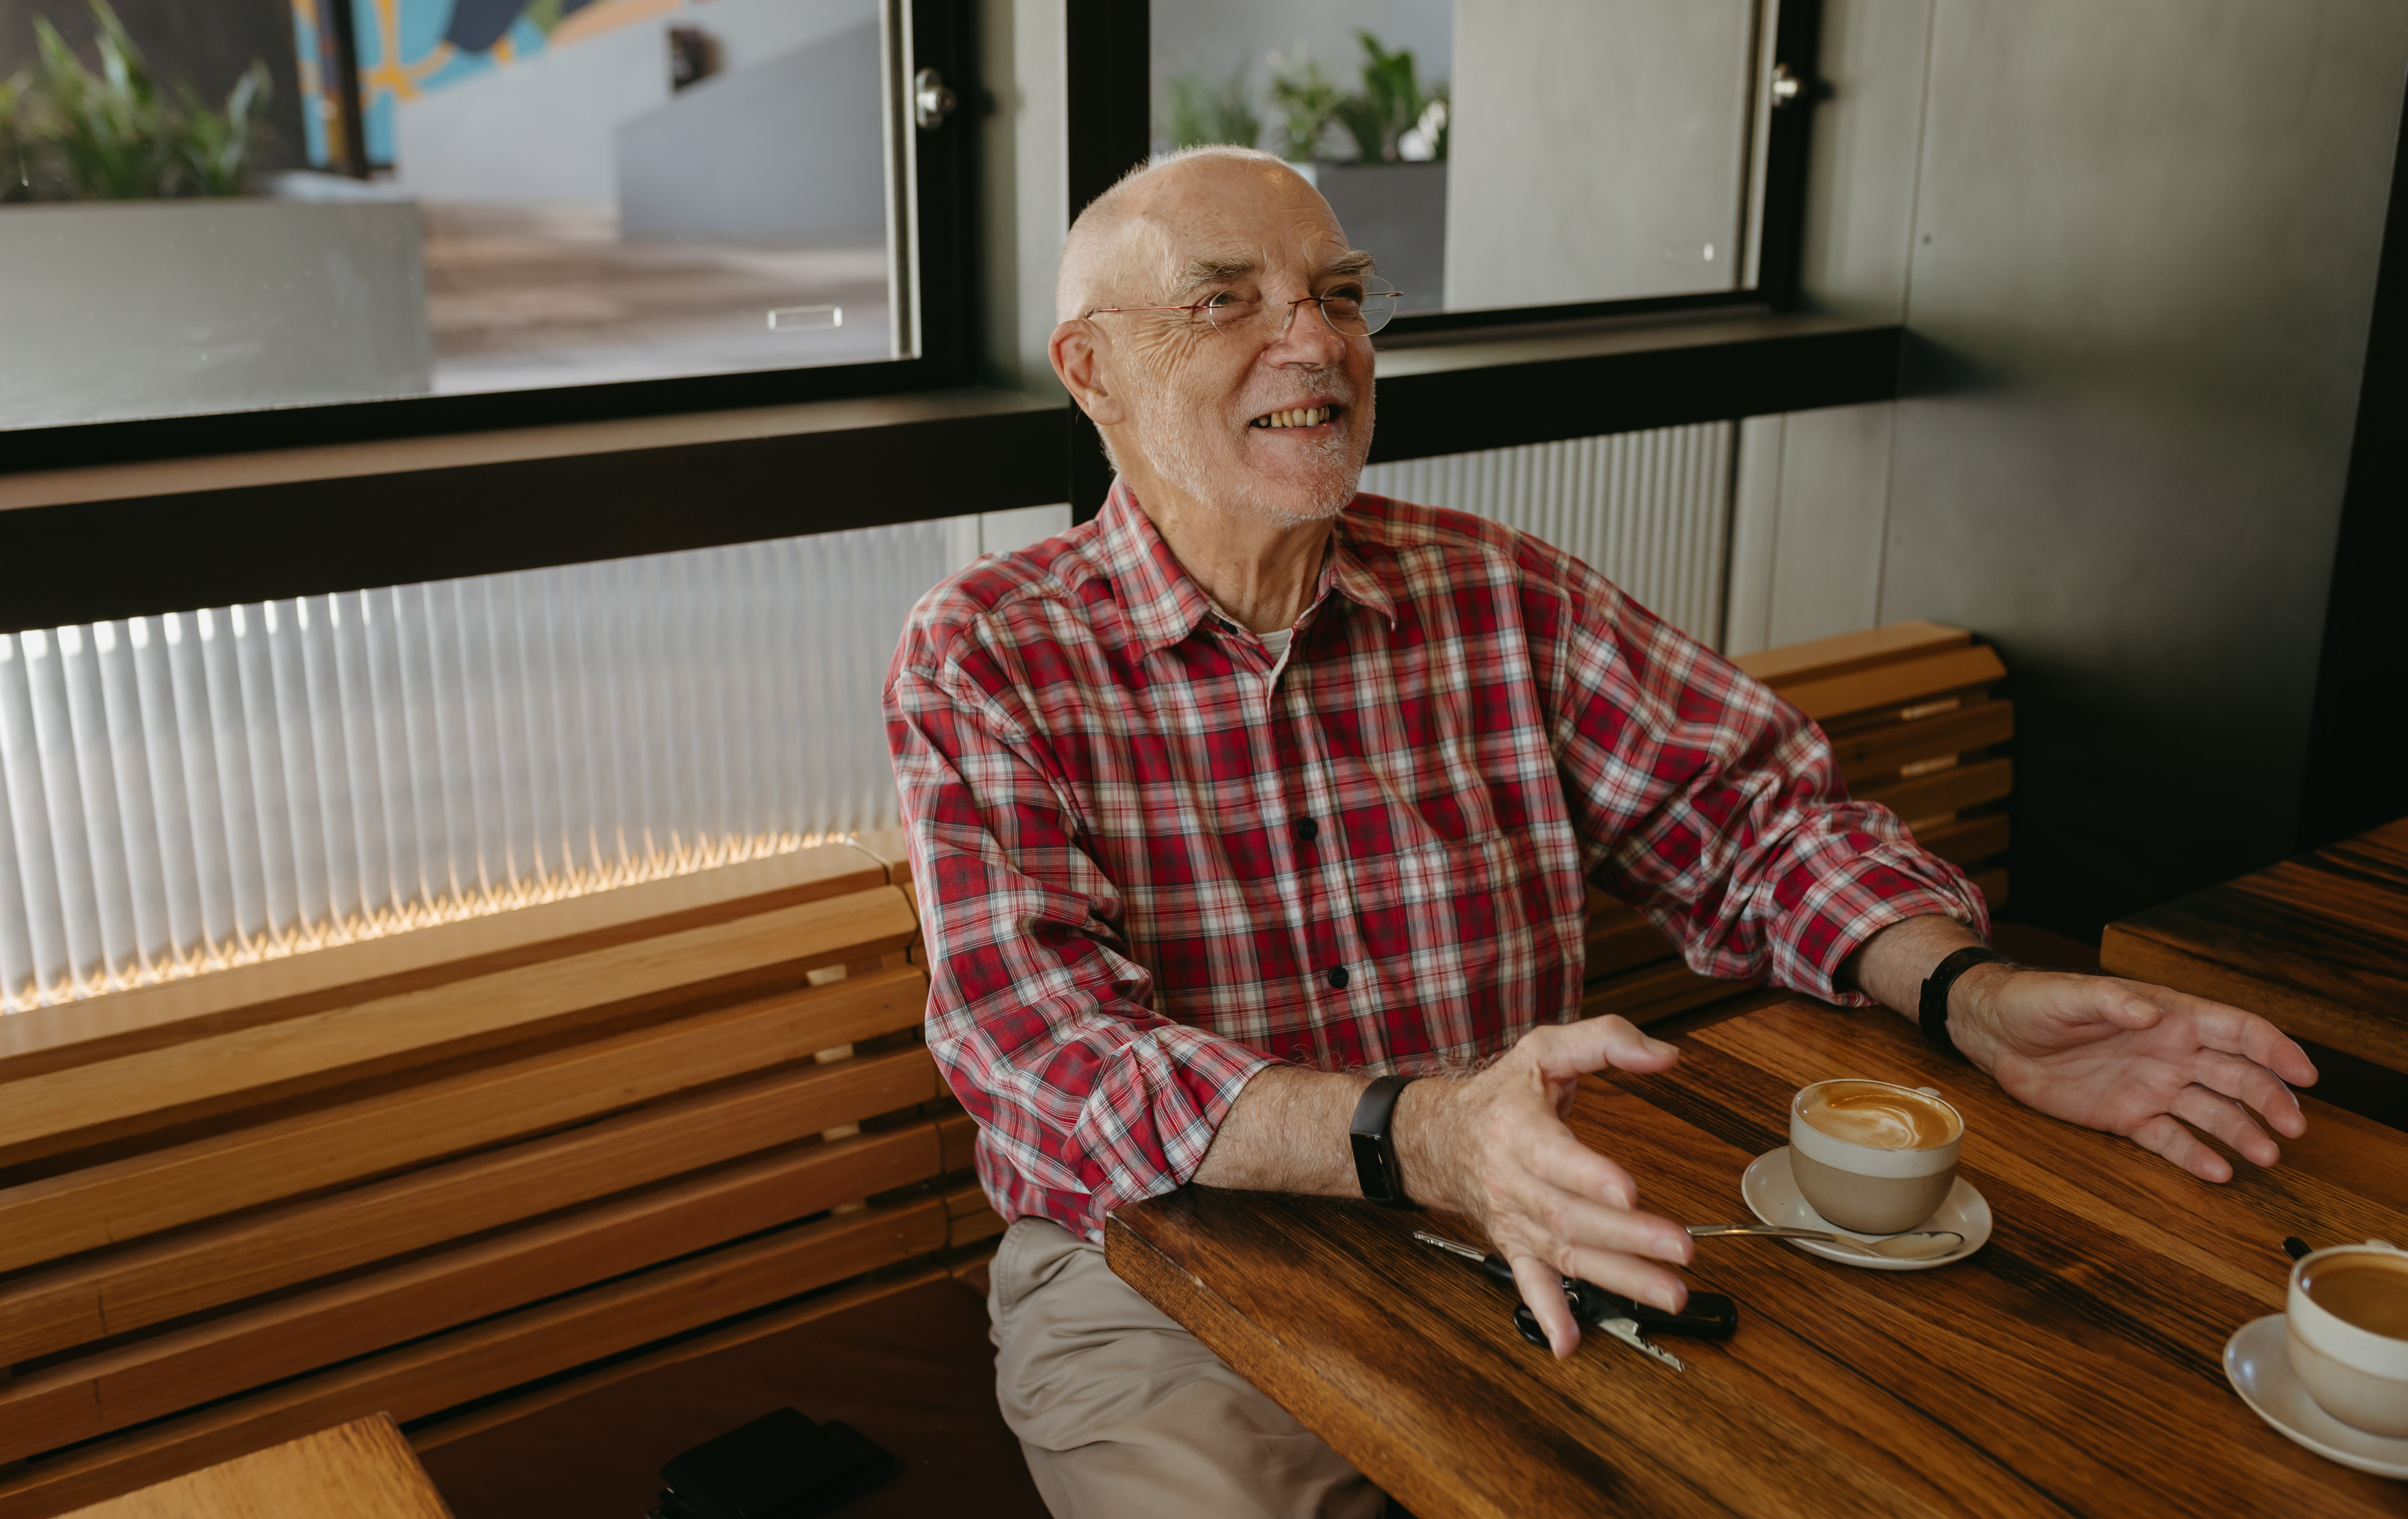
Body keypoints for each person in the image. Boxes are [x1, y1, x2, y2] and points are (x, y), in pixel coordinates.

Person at [881, 147, 2318, 1519]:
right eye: (1223, 300)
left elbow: (1752, 821)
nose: (1311, 341)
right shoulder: (988, 651)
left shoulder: (1498, 591)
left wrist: (1967, 994)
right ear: (1093, 371)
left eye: (1334, 290)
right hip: (1158, 1269)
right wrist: (1420, 1133)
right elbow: (1043, 1053)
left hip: (1539, 1208)